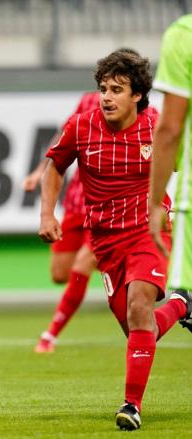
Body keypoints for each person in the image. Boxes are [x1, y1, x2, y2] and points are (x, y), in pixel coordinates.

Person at [39, 49, 191, 431]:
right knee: (141, 328)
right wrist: (46, 213)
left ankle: (131, 405)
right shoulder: (81, 126)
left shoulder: (158, 128)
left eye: (117, 89)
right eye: (103, 88)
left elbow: (182, 162)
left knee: (140, 306)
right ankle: (181, 305)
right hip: (105, 241)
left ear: (137, 94)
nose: (106, 96)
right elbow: (55, 165)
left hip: (149, 231)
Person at [27, 91, 99, 353]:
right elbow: (63, 138)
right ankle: (115, 263)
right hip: (77, 201)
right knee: (60, 274)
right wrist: (38, 172)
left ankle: (50, 336)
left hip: (104, 208)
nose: (108, 94)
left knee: (83, 265)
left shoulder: (143, 114)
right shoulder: (89, 101)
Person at [149, 13, 192, 330]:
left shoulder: (184, 33)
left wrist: (154, 203)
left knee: (184, 294)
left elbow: (169, 130)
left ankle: (185, 302)